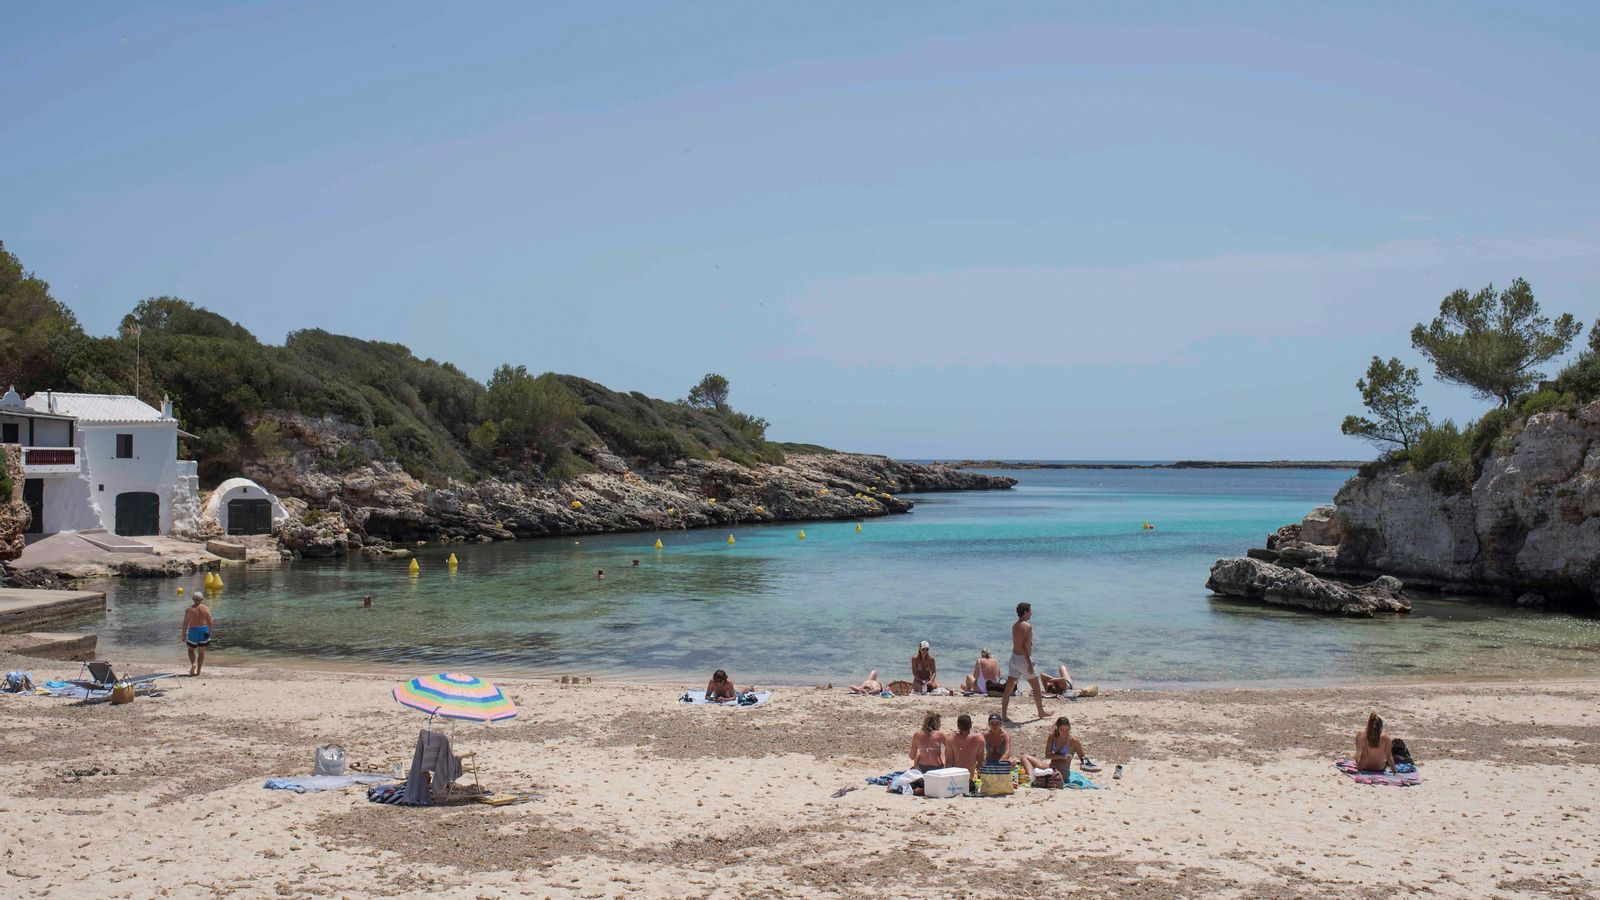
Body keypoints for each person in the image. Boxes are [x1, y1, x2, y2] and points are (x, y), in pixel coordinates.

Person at [1001, 602, 1048, 723]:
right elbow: (1024, 647)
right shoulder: (1027, 626)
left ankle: (1004, 714)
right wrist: (1030, 665)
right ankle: (1041, 712)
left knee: (1009, 688)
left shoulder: (1014, 626)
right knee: (1036, 688)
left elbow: (1018, 644)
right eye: (1030, 611)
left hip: (1014, 658)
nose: (1031, 613)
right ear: (1025, 612)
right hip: (1023, 659)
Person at [1020, 716, 1101, 781]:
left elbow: (1083, 759)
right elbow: (1048, 755)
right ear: (1057, 729)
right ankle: (1031, 777)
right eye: (1062, 730)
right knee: (1024, 757)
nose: (1065, 732)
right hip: (1051, 766)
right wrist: (1062, 757)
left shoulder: (1074, 741)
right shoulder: (1052, 737)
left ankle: (1036, 775)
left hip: (1062, 772)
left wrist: (1086, 765)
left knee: (1048, 774)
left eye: (1067, 730)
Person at [945, 713, 986, 783]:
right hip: (969, 780)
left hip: (955, 779)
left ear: (958, 726)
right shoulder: (979, 739)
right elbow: (981, 762)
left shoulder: (951, 738)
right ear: (971, 726)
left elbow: (949, 762)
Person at [182, 593, 214, 676]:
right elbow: (210, 622)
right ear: (202, 600)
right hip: (204, 630)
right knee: (201, 652)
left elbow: (185, 623)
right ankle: (199, 670)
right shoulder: (206, 609)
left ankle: (193, 664)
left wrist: (183, 634)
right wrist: (211, 632)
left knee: (190, 650)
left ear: (193, 599)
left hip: (193, 630)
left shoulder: (189, 609)